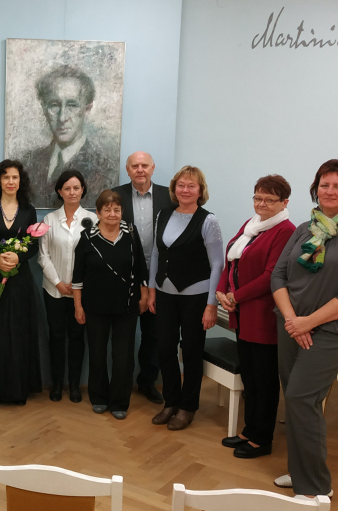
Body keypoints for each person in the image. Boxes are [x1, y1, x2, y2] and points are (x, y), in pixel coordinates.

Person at [272, 159, 338, 498]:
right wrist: (293, 320)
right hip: (291, 324)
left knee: (301, 397)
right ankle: (301, 470)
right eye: (324, 185)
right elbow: (278, 276)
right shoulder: (306, 228)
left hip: (333, 330)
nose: (329, 191)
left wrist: (309, 322)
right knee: (297, 400)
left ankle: (316, 488)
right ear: (315, 189)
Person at [215, 175, 295, 459]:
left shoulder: (285, 231)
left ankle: (262, 439)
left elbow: (271, 276)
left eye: (269, 200)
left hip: (263, 315)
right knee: (250, 376)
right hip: (242, 312)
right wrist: (221, 290)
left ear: (284, 202)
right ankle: (249, 430)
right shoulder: (252, 225)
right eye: (258, 198)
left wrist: (235, 296)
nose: (262, 204)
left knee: (264, 379)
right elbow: (231, 259)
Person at [148, 166, 224, 431]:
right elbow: (156, 253)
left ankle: (188, 406)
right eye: (181, 185)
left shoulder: (208, 220)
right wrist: (152, 290)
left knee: (191, 351)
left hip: (196, 297)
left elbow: (217, 264)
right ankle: (171, 402)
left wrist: (211, 304)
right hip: (165, 295)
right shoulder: (164, 214)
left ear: (200, 190)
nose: (185, 190)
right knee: (165, 348)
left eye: (191, 186)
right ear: (174, 188)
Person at [72, 189, 148, 420]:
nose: (112, 214)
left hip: (127, 306)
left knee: (123, 356)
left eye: (117, 209)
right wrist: (78, 306)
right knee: (97, 353)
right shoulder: (87, 238)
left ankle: (119, 401)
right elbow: (77, 277)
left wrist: (144, 296)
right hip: (95, 306)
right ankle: (99, 397)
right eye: (107, 210)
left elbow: (141, 269)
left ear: (122, 212)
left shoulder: (131, 234)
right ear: (98, 213)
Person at [0, 159, 43, 404]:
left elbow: (33, 245)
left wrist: (18, 257)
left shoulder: (29, 210)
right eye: (5, 177)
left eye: (14, 177)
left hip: (19, 279)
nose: (10, 181)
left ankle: (18, 389)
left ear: (20, 181)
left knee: (18, 331)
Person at [112, 151, 172, 404]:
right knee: (123, 335)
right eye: (134, 166)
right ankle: (120, 386)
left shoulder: (169, 196)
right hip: (125, 276)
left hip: (160, 276)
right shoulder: (116, 196)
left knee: (154, 335)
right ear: (127, 170)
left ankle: (147, 382)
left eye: (144, 165)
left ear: (152, 168)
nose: (140, 170)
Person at [37, 169, 97, 403]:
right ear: (59, 192)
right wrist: (59, 283)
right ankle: (56, 384)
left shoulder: (93, 220)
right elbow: (43, 256)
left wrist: (79, 284)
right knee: (56, 336)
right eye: (67, 188)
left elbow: (95, 256)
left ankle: (74, 385)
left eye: (76, 188)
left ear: (82, 190)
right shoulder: (49, 220)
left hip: (82, 293)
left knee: (77, 337)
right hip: (53, 290)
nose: (72, 192)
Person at [22, 65, 112, 207]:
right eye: (54, 105)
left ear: (87, 110)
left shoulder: (105, 168)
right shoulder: (28, 162)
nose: (62, 117)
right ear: (44, 109)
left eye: (72, 105)